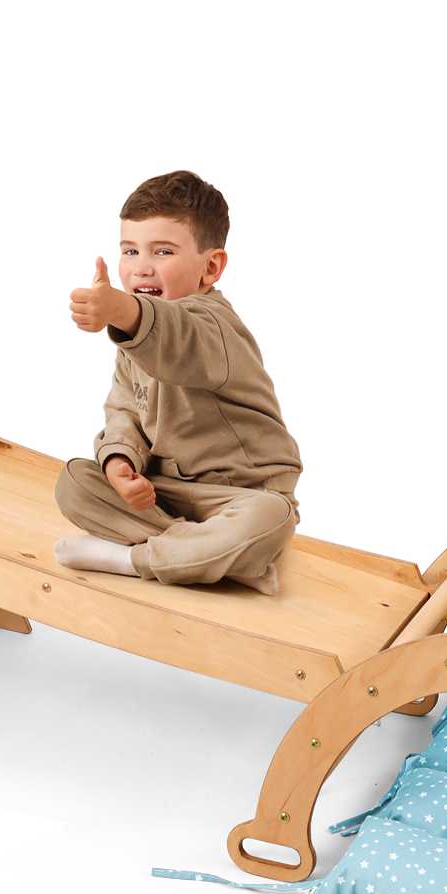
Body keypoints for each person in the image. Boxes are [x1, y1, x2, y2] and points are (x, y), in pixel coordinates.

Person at [53, 171, 302, 595]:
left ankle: (129, 559)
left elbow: (176, 338)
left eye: (163, 251)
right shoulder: (134, 339)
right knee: (73, 483)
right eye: (130, 251)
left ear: (211, 267)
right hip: (167, 492)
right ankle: (218, 559)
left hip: (240, 493)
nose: (140, 267)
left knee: (271, 520)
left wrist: (120, 308)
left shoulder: (214, 326)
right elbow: (124, 409)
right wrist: (120, 465)